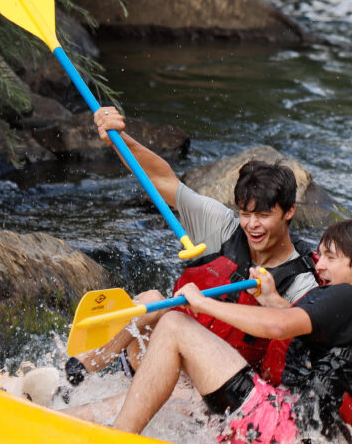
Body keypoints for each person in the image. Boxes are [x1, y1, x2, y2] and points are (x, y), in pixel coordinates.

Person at [67, 219, 352, 444]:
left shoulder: (345, 297)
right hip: (307, 438)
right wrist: (271, 299)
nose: (319, 264)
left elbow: (280, 328)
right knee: (185, 392)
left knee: (173, 324)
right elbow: (299, 327)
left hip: (282, 431)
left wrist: (203, 303)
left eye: (330, 257)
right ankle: (71, 417)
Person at [65, 106, 319, 385]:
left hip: (220, 385)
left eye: (263, 215)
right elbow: (162, 179)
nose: (252, 225)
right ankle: (89, 366)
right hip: (165, 359)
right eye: (246, 214)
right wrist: (119, 139)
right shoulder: (221, 225)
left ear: (289, 212)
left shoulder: (301, 281)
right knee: (151, 300)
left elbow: (306, 343)